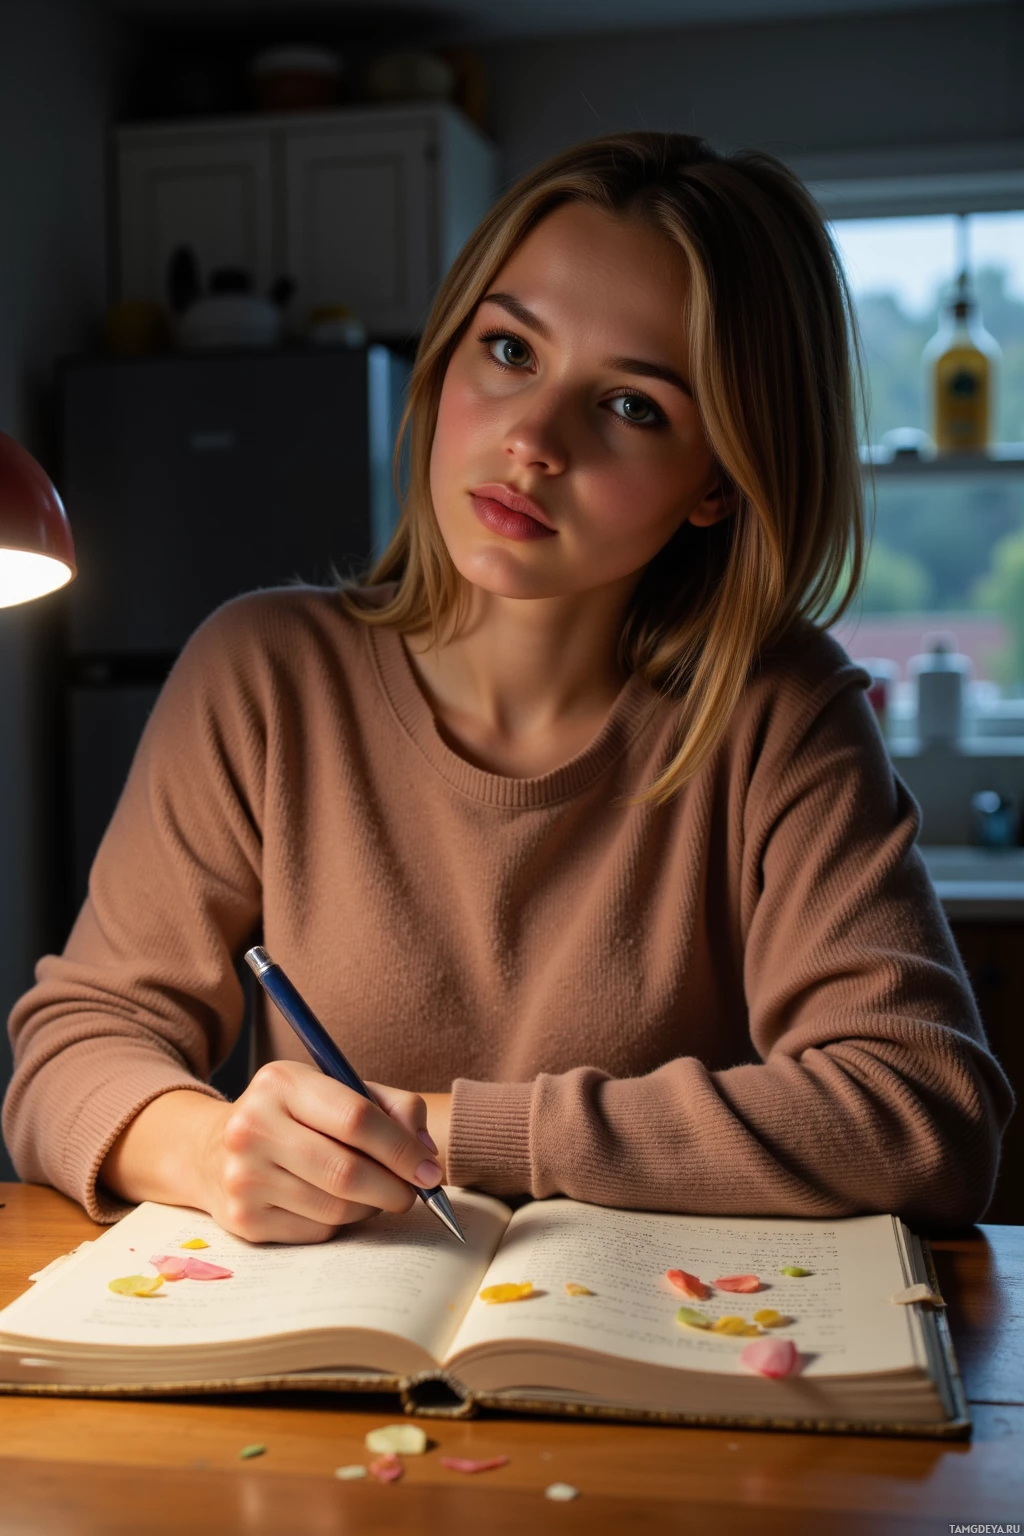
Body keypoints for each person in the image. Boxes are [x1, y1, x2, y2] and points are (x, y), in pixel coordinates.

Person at [3, 132, 1014, 1243]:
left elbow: (925, 1114)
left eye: (631, 406)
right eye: (508, 349)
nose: (531, 439)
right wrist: (205, 1145)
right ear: (445, 359)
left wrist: (463, 1133)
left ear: (717, 484)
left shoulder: (777, 711)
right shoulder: (259, 673)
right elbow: (76, 1045)